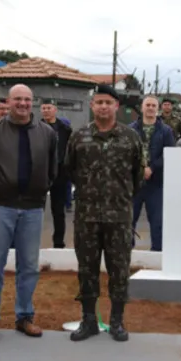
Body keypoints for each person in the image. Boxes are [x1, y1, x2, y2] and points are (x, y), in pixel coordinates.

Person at [0, 84, 59, 342]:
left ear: (32, 102)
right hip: (0, 206)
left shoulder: (47, 133)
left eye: (27, 99)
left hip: (33, 208)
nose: (23, 103)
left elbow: (53, 168)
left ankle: (25, 317)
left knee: (29, 266)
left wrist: (41, 188)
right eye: (18, 99)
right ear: (8, 102)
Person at [66, 84, 144, 342]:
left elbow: (137, 174)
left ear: (116, 106)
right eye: (98, 102)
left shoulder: (130, 137)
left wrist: (119, 197)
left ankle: (117, 322)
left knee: (119, 270)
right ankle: (88, 321)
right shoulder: (78, 136)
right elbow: (70, 170)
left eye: (108, 103)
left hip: (119, 217)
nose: (103, 106)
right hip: (86, 217)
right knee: (86, 270)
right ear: (92, 105)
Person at [130, 96, 175, 252]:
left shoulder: (166, 131)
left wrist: (152, 168)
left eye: (153, 105)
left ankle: (157, 252)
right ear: (142, 108)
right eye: (147, 105)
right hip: (134, 182)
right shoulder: (130, 129)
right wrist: (140, 168)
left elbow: (169, 153)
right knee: (129, 219)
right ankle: (126, 251)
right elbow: (126, 153)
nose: (150, 108)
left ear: (158, 109)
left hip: (156, 182)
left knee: (157, 221)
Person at [41, 99, 73, 249]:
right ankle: (32, 241)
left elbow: (70, 151)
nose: (46, 110)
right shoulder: (36, 127)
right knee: (36, 210)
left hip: (60, 174)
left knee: (58, 211)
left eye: (49, 108)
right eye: (44, 108)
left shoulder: (65, 130)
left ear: (55, 110)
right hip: (40, 174)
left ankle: (59, 242)